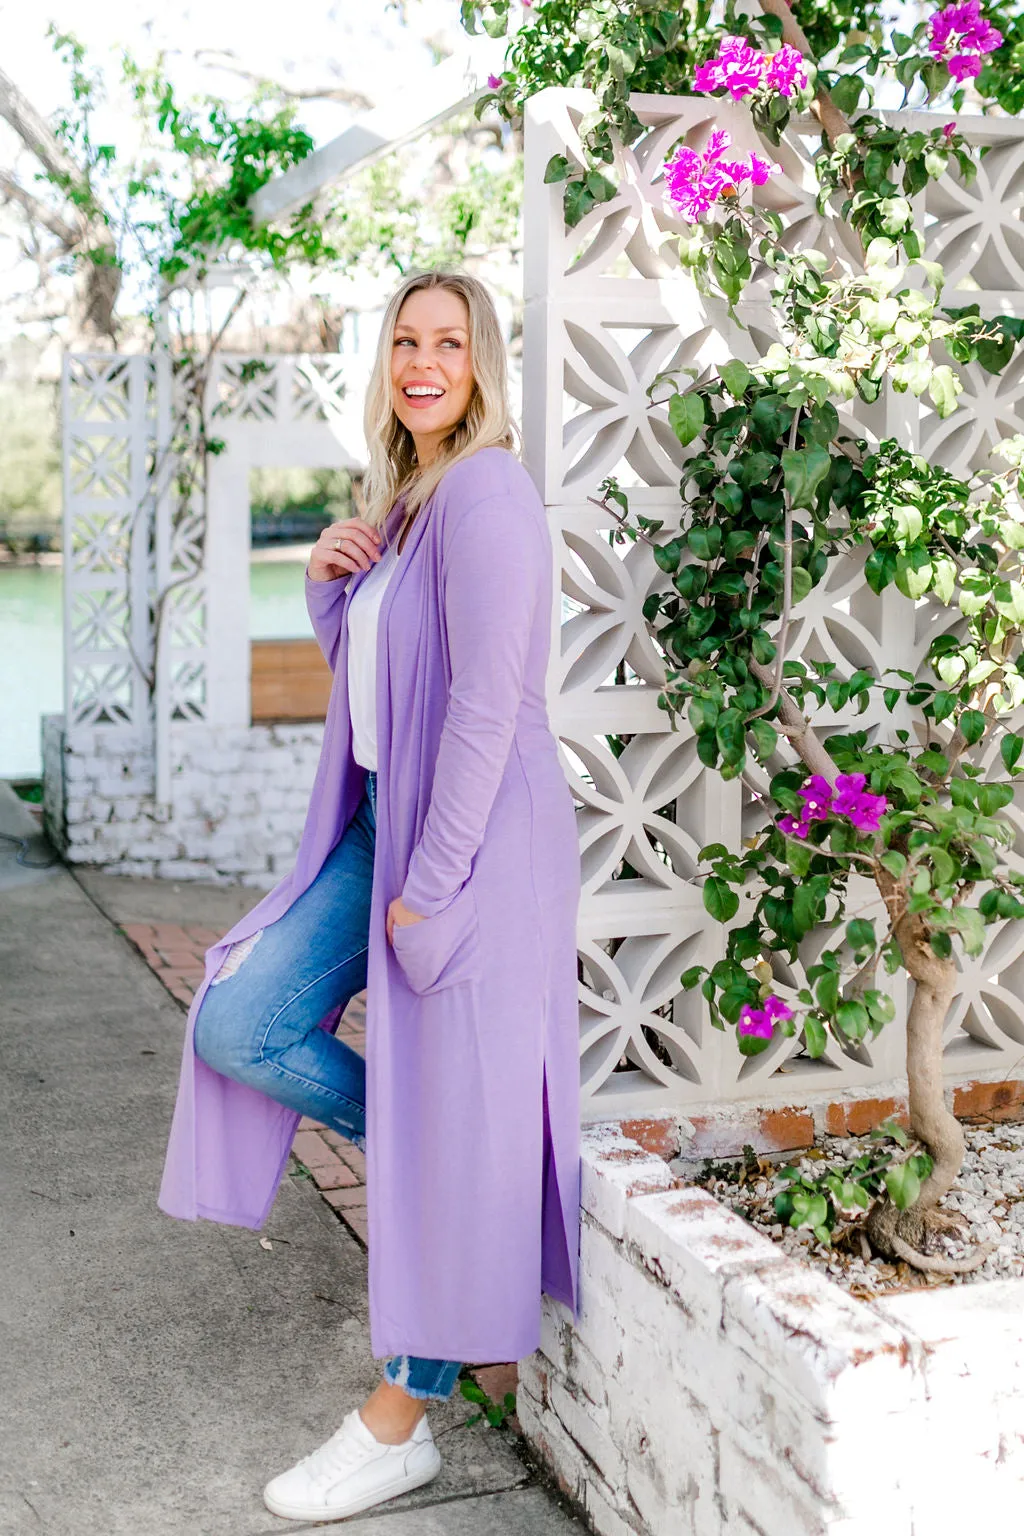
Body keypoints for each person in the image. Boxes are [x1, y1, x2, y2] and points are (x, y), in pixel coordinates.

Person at [157, 268, 582, 1524]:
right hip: (381, 833)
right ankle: (453, 1161)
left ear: (482, 363)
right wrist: (332, 589)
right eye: (406, 339)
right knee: (239, 1023)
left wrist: (435, 886)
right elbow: (384, 691)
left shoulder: (490, 492)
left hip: (471, 853)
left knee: (422, 1099)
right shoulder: (408, 504)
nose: (423, 360)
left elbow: (484, 706)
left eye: (449, 341)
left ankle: (397, 1426)